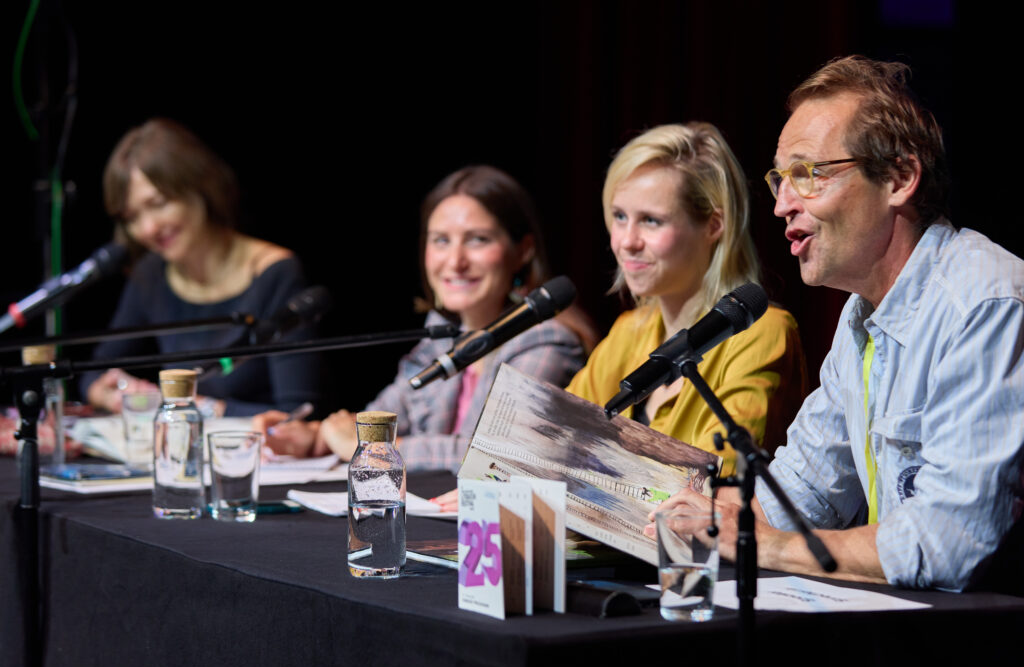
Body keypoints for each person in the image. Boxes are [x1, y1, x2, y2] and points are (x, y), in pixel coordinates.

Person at [652, 56, 1024, 591]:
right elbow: (802, 490)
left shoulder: (984, 303)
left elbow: (950, 542)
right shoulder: (861, 313)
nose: (781, 204)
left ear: (899, 177)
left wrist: (766, 545)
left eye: (809, 174)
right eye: (780, 178)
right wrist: (681, 511)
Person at [255, 165, 588, 471]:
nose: (455, 261)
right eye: (441, 240)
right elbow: (379, 420)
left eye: (477, 240)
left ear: (523, 250)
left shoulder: (547, 342)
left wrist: (377, 449)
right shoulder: (442, 338)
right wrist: (312, 436)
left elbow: (502, 455)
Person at [566, 122, 808, 476]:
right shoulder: (629, 331)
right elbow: (559, 431)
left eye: (650, 220)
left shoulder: (763, 333)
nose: (626, 241)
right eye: (620, 216)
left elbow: (714, 476)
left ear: (713, 225)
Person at [81, 118, 325, 417]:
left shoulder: (275, 273)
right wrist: (115, 394)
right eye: (132, 216)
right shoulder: (151, 273)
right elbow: (93, 373)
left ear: (199, 186)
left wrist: (191, 405)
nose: (148, 228)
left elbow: (300, 414)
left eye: (158, 203)